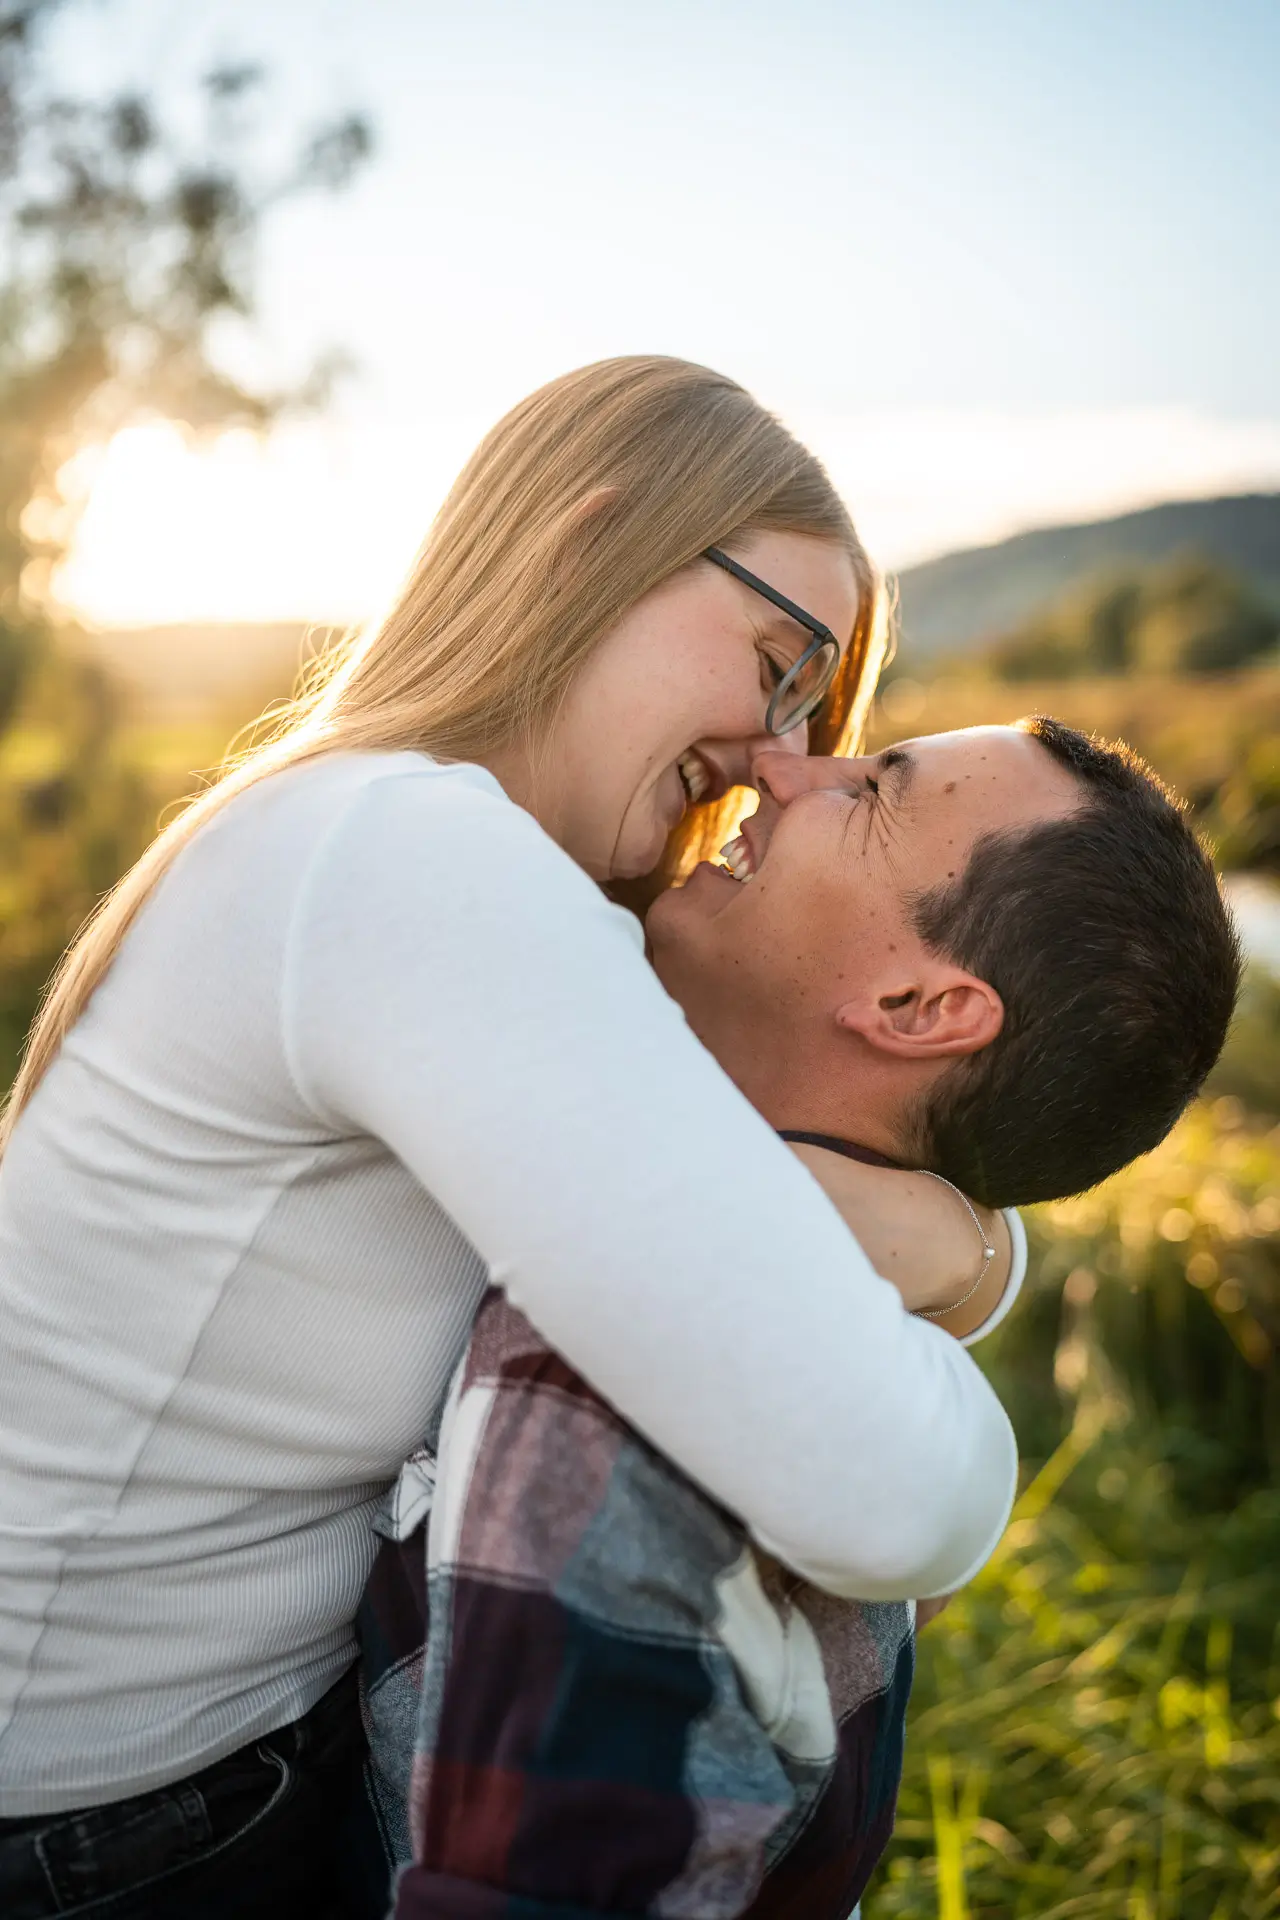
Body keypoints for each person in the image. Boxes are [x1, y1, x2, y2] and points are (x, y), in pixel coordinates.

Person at [0, 358, 1025, 1919]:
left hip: (163, 1782)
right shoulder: (418, 860)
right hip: (120, 1828)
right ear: (585, 543)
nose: (774, 747)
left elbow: (752, 1214)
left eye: (814, 702)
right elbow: (905, 1502)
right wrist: (960, 1269)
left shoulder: (421, 856)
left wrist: (970, 1249)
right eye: (774, 656)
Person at [363, 720, 1240, 1919]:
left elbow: (539, 1886)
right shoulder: (863, 1319)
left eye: (872, 788)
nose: (778, 766)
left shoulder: (649, 1337)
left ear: (914, 1004)